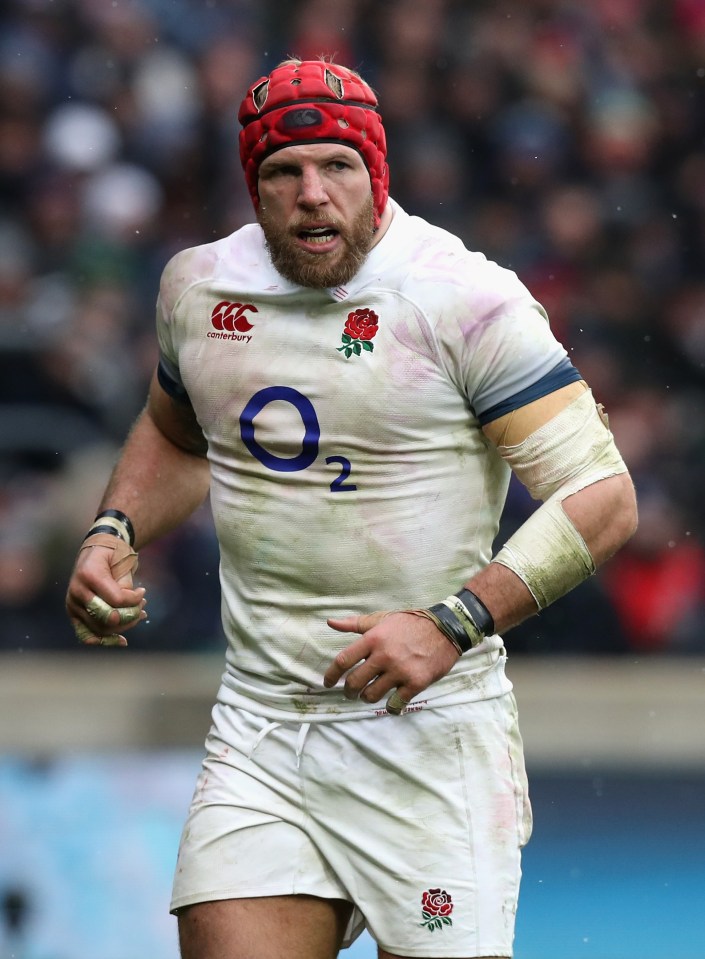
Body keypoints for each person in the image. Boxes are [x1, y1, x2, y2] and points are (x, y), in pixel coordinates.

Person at [65, 58, 638, 959]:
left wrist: (453, 623)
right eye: (282, 173)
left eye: (336, 166)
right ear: (251, 186)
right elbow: (179, 438)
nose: (311, 195)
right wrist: (116, 527)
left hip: (428, 739)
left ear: (378, 172)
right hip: (262, 727)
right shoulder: (200, 289)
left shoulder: (464, 298)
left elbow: (603, 497)